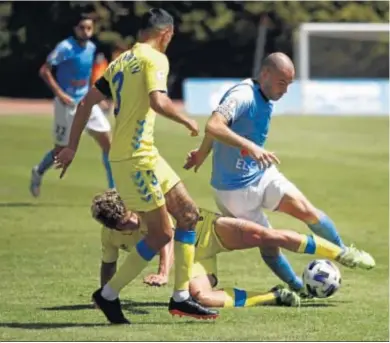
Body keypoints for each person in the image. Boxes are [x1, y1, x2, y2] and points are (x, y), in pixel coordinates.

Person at [55, 8, 217, 324]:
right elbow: (158, 101)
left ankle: (181, 298)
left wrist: (72, 145)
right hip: (135, 159)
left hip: (145, 155)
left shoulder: (120, 61)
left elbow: (86, 102)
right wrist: (186, 119)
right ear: (166, 33)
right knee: (160, 234)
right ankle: (108, 295)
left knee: (187, 216)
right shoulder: (155, 58)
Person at [184, 52, 375, 297]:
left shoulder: (264, 96)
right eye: (282, 82)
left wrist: (201, 153)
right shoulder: (242, 95)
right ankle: (299, 288)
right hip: (233, 190)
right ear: (265, 74)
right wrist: (247, 148)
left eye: (289, 84)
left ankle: (343, 252)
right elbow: (214, 125)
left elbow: (220, 128)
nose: (285, 90)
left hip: (261, 173)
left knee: (306, 210)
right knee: (270, 245)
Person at [92, 189, 374, 315]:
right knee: (202, 298)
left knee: (266, 236)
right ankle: (275, 296)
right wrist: (107, 294)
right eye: (122, 224)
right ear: (110, 226)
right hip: (193, 259)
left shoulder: (145, 205)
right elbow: (109, 264)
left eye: (129, 216)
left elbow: (164, 236)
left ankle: (341, 254)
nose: (130, 223)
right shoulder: (110, 236)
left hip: (206, 230)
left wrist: (163, 272)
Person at [30, 13, 114, 198]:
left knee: (108, 144)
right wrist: (60, 94)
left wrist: (99, 96)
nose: (86, 31)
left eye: (89, 28)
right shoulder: (65, 47)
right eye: (82, 28)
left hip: (87, 102)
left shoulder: (91, 47)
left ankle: (113, 189)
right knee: (61, 149)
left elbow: (90, 75)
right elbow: (45, 70)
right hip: (66, 104)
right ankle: (39, 171)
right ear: (75, 29)